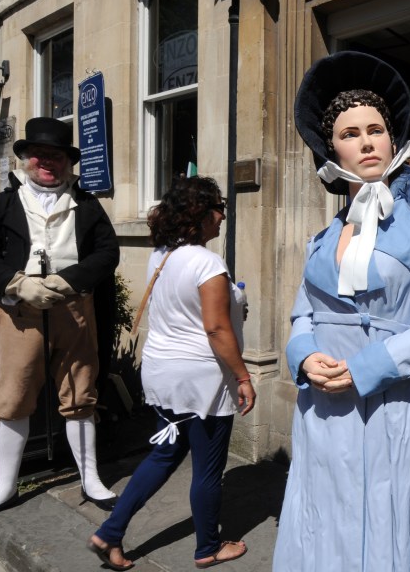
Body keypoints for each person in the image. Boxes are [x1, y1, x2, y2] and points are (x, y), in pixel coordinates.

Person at [273, 51, 410, 571]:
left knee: (390, 522)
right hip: (324, 411)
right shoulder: (320, 241)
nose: (366, 142)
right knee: (326, 519)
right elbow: (302, 315)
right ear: (331, 147)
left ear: (393, 139)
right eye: (350, 132)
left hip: (392, 408)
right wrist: (305, 357)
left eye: (375, 129)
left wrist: (366, 369)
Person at [88, 175, 255, 571]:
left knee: (164, 454)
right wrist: (244, 377)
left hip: (162, 373)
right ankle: (208, 548)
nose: (221, 218)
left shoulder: (162, 254)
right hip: (201, 379)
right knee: (208, 467)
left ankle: (110, 532)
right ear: (199, 214)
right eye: (218, 209)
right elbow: (215, 328)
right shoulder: (208, 262)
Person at [0, 117, 120, 539]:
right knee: (12, 397)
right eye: (40, 155)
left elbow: (108, 252)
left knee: (81, 395)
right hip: (20, 314)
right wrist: (17, 283)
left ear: (68, 162)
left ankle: (91, 480)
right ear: (28, 160)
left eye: (56, 156)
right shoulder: (4, 203)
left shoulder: (86, 203)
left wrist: (70, 280)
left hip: (75, 310)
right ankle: (5, 486)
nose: (47, 162)